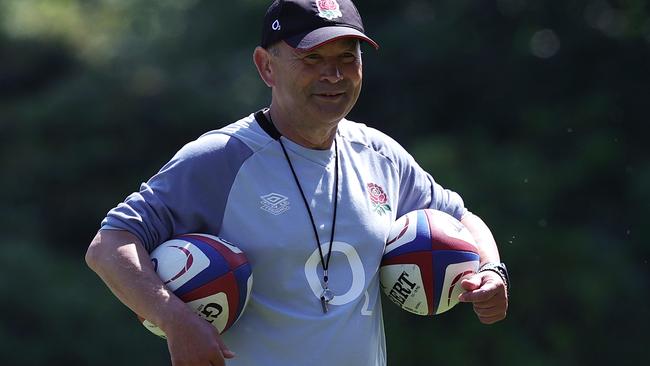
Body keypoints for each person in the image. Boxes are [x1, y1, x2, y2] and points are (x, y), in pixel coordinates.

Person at [85, 0, 509, 365]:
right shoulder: (219, 159)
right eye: (313, 59)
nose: (335, 75)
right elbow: (109, 246)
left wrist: (491, 270)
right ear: (265, 66)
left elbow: (461, 217)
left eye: (348, 58)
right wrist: (174, 318)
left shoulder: (380, 155)